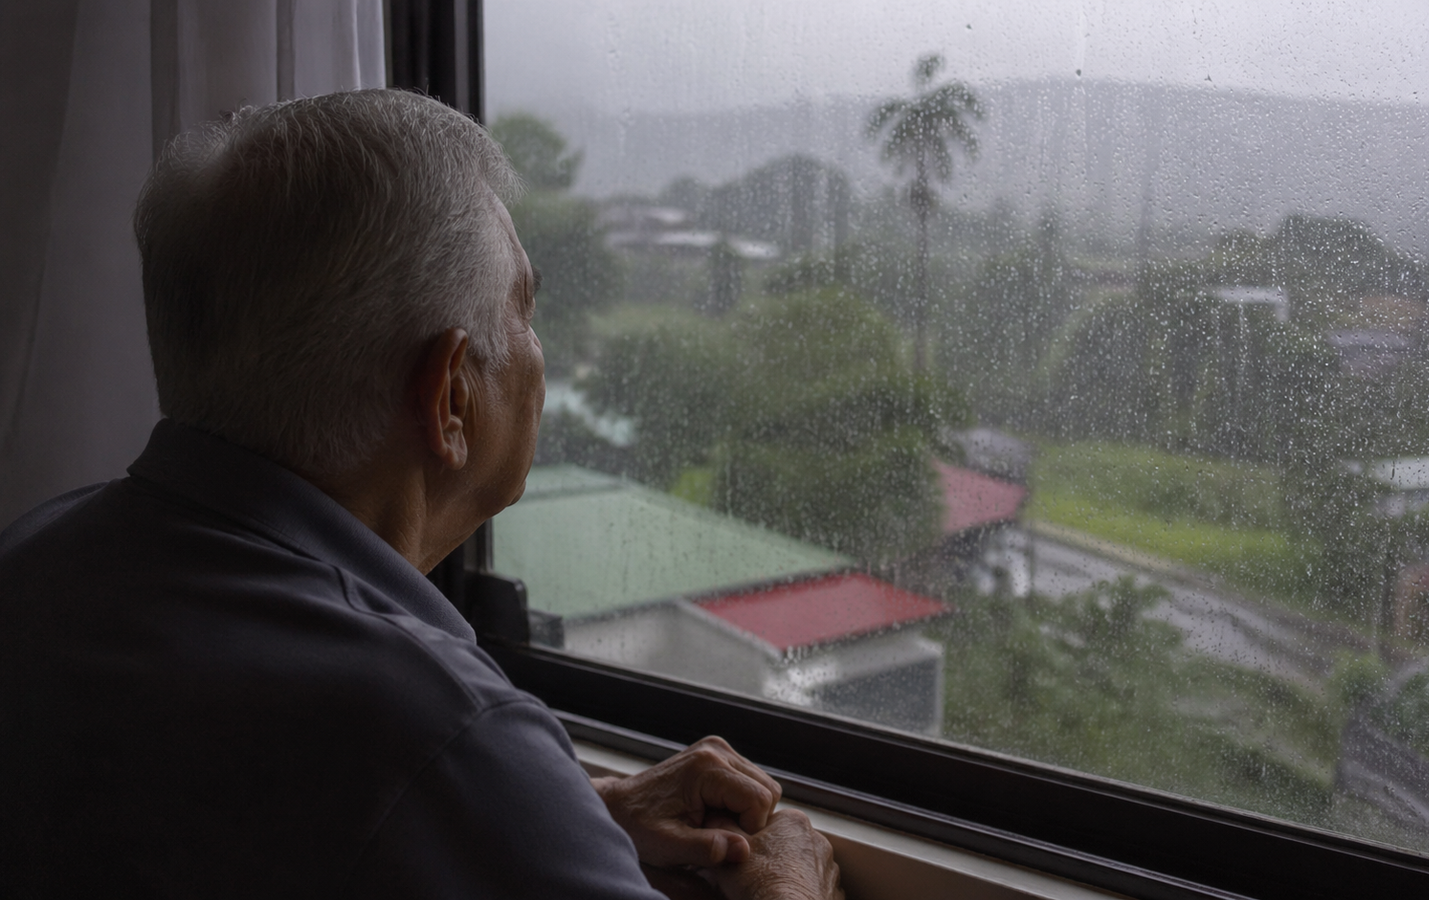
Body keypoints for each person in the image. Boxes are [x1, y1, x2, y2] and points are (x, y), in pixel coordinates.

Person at [0, 89, 842, 900]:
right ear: (449, 398)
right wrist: (784, 878)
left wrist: (572, 812)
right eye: (526, 312)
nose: (539, 355)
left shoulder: (32, 557)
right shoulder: (435, 730)